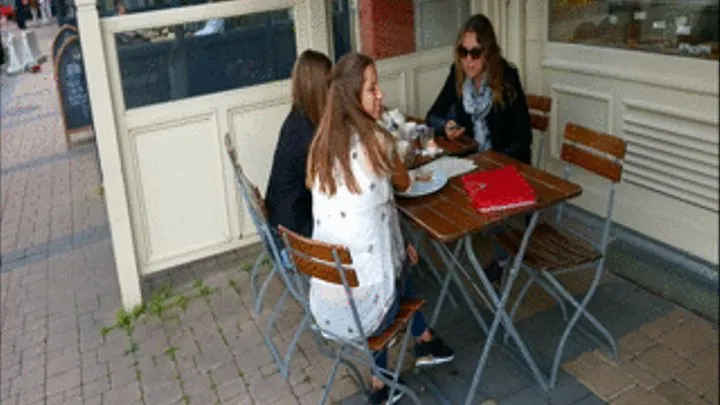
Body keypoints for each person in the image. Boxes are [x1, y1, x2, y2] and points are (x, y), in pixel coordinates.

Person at [306, 52, 455, 405]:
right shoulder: (377, 144)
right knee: (401, 270)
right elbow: (403, 184)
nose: (381, 95)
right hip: (367, 312)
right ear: (351, 97)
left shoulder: (320, 148)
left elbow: (372, 213)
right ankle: (381, 380)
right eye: (372, 89)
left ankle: (422, 341)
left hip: (325, 305)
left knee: (391, 258)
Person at [425, 13, 533, 279]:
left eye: (475, 53)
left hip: (505, 161)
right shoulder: (458, 74)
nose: (468, 60)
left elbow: (523, 136)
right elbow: (433, 115)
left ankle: (501, 258)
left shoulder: (507, 78)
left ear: (489, 53)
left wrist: (493, 160)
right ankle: (448, 253)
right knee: (435, 186)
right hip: (470, 159)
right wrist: (446, 126)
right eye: (463, 52)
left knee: (477, 188)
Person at [265, 49, 332, 240]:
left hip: (285, 217)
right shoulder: (304, 133)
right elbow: (328, 186)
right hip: (295, 230)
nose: (333, 89)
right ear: (318, 87)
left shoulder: (298, 119)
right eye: (329, 83)